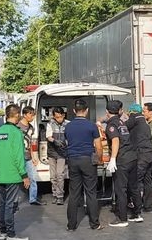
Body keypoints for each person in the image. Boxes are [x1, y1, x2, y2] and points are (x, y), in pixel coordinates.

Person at [64, 99, 103, 231]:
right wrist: (99, 159)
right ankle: (94, 223)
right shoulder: (92, 126)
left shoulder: (68, 126)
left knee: (74, 193)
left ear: (74, 111)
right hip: (88, 160)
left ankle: (71, 225)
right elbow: (98, 146)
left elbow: (68, 142)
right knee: (91, 192)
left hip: (73, 160)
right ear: (86, 111)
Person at [0, 104, 30, 240]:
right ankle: (11, 234)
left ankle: (2, 232)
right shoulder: (16, 133)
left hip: (1, 174)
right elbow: (18, 156)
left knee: (3, 204)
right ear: (17, 115)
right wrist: (24, 175)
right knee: (10, 204)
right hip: (13, 175)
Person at [104, 100, 142, 227]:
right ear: (119, 111)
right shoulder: (121, 122)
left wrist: (113, 158)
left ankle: (122, 219)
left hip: (122, 160)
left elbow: (115, 140)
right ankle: (137, 214)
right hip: (132, 157)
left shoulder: (111, 124)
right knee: (134, 187)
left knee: (121, 190)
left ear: (107, 112)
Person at [126, 103, 152, 213]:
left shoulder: (135, 118)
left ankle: (136, 206)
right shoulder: (143, 121)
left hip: (142, 154)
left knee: (135, 180)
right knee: (147, 179)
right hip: (150, 153)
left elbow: (123, 128)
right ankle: (148, 206)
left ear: (132, 112)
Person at [17, 106, 43, 205]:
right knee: (17, 178)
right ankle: (15, 200)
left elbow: (32, 144)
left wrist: (34, 157)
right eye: (31, 115)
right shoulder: (17, 126)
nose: (32, 117)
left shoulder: (31, 128)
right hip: (18, 156)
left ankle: (33, 198)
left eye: (33, 115)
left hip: (28, 156)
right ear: (25, 114)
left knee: (32, 177)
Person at [46, 107, 69, 205]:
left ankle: (60, 196)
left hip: (62, 153)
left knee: (60, 174)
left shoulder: (68, 124)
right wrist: (54, 141)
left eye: (60, 117)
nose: (58, 119)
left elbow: (70, 136)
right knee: (53, 176)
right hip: (52, 152)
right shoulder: (50, 124)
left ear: (63, 115)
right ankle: (55, 194)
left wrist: (65, 143)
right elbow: (48, 136)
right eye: (56, 117)